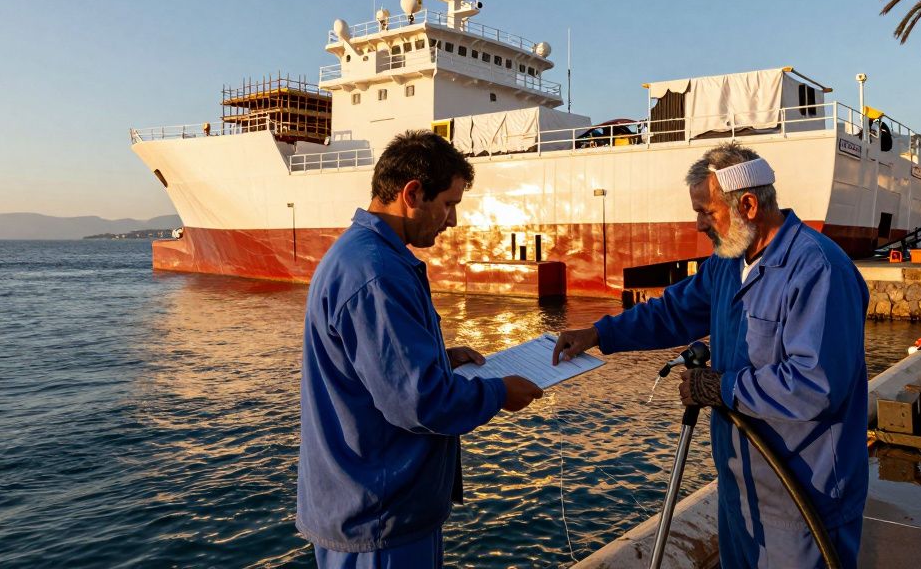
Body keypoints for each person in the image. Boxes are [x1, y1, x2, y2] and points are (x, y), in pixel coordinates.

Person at [553, 142, 869, 568]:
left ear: (749, 205)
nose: (699, 224)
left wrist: (722, 387)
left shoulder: (818, 270)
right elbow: (673, 311)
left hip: (803, 498)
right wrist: (598, 333)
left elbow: (815, 384)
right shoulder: (728, 261)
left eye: (707, 211)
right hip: (740, 489)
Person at [297, 130, 544, 569]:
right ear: (412, 194)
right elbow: (419, 402)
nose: (451, 221)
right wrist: (500, 394)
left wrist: (438, 359)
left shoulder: (364, 258)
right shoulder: (377, 274)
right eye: (448, 204)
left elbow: (374, 368)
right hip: (378, 523)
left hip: (374, 511)